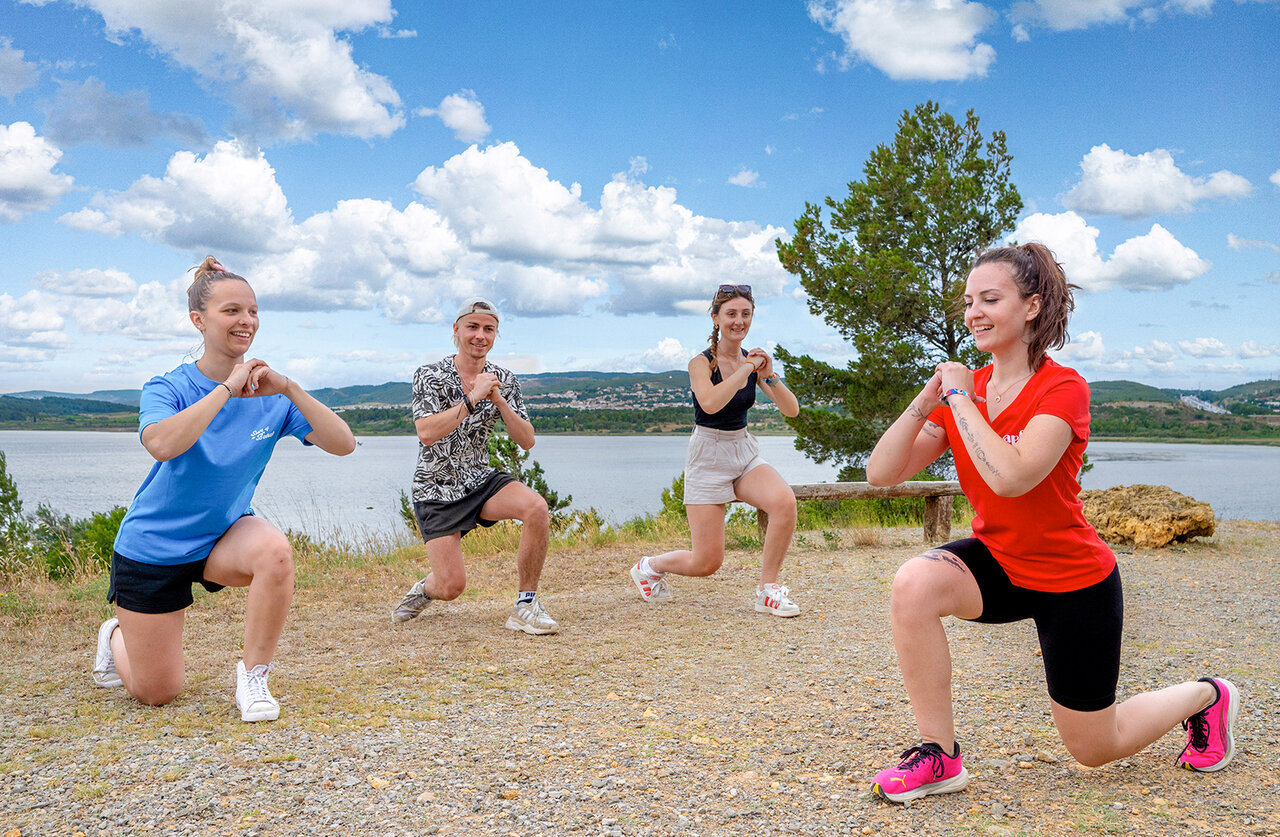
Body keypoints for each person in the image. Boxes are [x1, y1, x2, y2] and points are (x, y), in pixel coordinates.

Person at [863, 243, 1239, 803]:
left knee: (1093, 748)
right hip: (1000, 561)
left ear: (1033, 306)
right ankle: (939, 754)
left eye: (990, 299)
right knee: (914, 583)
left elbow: (1013, 477)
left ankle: (1208, 695)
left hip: (1074, 580)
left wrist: (963, 399)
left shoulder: (1062, 389)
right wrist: (927, 399)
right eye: (969, 301)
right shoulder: (963, 394)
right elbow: (881, 473)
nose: (974, 313)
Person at [92, 257, 356, 722]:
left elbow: (344, 444)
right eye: (232, 311)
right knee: (159, 693)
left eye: (253, 311)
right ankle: (116, 635)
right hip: (154, 549)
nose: (246, 321)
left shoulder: (271, 395)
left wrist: (290, 388)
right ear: (199, 320)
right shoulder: (168, 386)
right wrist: (226, 391)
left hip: (222, 536)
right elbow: (162, 445)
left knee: (275, 551)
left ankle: (253, 677)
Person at [629, 284, 802, 615]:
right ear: (716, 318)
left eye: (745, 314)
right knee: (707, 562)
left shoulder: (752, 362)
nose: (739, 321)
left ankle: (767, 590)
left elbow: (791, 410)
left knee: (783, 502)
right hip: (708, 454)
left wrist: (769, 375)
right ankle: (649, 566)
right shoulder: (701, 363)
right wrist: (747, 370)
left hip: (743, 449)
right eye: (731, 314)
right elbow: (709, 404)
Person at [392, 298, 558, 635]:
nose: (479, 335)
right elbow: (426, 433)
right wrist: (472, 399)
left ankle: (525, 605)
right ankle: (424, 588)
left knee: (536, 508)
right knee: (451, 586)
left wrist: (497, 399)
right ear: (456, 330)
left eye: (488, 329)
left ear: (495, 335)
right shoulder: (430, 375)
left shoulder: (505, 380)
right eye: (472, 327)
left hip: (480, 479)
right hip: (436, 486)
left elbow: (526, 440)